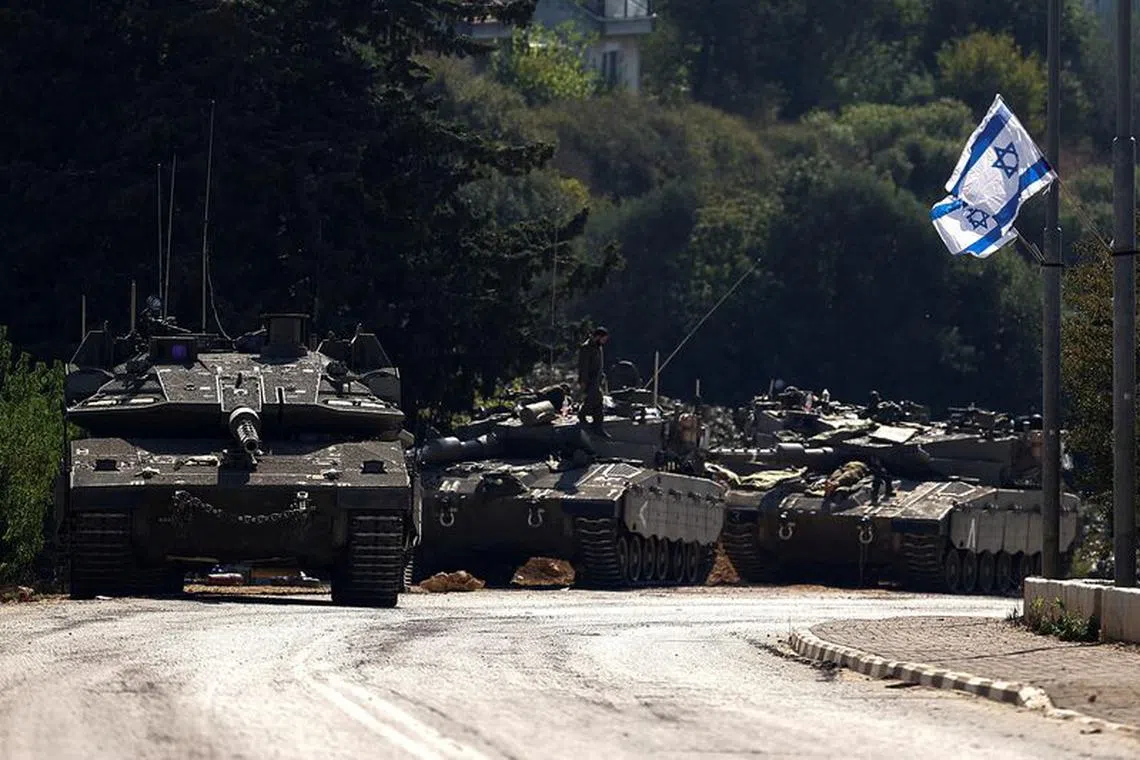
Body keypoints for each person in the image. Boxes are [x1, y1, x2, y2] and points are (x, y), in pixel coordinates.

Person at [577, 326, 610, 437]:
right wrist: (583, 381)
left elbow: (599, 364)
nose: (604, 342)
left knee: (598, 403)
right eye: (603, 339)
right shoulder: (586, 348)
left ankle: (597, 426)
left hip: (597, 379)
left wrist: (602, 375)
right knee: (596, 400)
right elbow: (584, 367)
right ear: (598, 337)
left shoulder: (598, 348)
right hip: (589, 380)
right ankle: (583, 414)